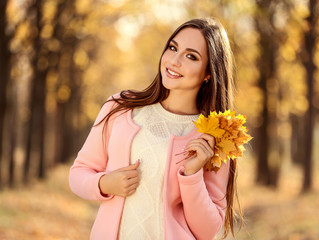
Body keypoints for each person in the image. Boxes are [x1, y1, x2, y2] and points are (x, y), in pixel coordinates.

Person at [69, 17, 241, 240]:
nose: (174, 61)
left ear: (209, 72)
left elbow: (208, 230)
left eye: (191, 56)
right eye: (173, 48)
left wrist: (192, 174)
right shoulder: (120, 107)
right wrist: (103, 183)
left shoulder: (215, 135)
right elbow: (79, 172)